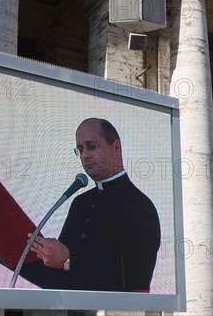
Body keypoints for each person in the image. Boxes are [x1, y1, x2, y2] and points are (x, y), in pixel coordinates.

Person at [17, 118, 161, 292]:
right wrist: (16, 252)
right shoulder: (80, 203)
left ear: (116, 147)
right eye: (80, 149)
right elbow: (62, 280)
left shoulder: (140, 206)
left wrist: (68, 259)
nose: (85, 155)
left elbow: (129, 279)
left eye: (92, 146)